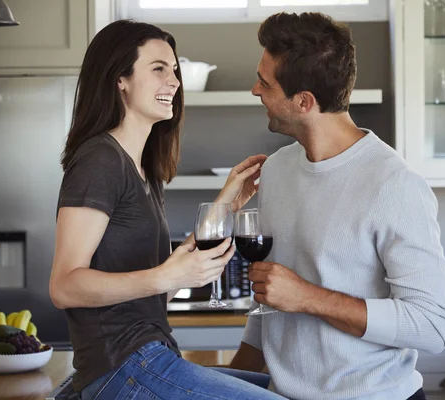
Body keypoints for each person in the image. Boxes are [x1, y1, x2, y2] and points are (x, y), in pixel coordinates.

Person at [49, 19, 286, 400]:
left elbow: (161, 282)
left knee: (292, 391)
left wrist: (226, 202)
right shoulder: (100, 160)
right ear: (119, 79)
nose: (174, 82)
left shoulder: (142, 169)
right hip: (122, 366)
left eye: (174, 70)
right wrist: (163, 276)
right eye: (158, 69)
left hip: (150, 356)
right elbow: (64, 286)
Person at [227, 12, 445, 400]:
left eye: (265, 83)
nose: (255, 90)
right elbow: (273, 297)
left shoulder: (394, 185)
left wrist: (307, 297)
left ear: (303, 101)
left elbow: (433, 326)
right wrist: (230, 383)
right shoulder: (280, 168)